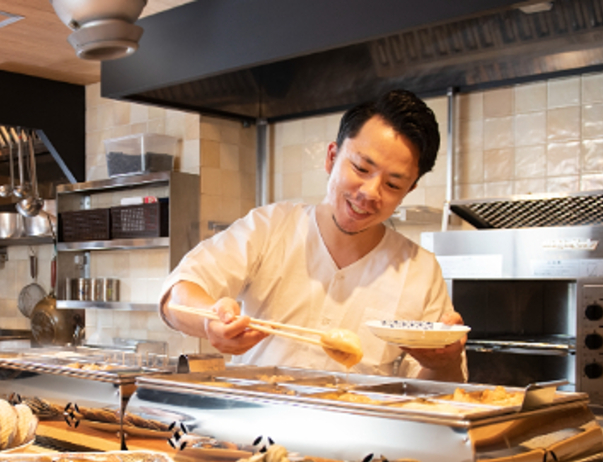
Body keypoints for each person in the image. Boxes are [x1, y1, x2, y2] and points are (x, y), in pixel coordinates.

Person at [159, 89, 466, 380]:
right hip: (254, 428)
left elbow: (441, 393)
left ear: (409, 190)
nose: (370, 193)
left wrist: (445, 362)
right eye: (360, 168)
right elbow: (177, 293)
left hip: (362, 432)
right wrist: (210, 319)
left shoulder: (420, 270)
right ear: (332, 157)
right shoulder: (271, 227)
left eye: (393, 185)